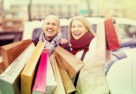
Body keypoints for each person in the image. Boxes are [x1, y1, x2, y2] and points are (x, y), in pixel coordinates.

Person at [68, 16, 109, 94]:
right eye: (73, 27)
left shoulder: (95, 43)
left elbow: (113, 40)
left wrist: (111, 20)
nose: (76, 29)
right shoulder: (72, 49)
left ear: (87, 28)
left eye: (80, 26)